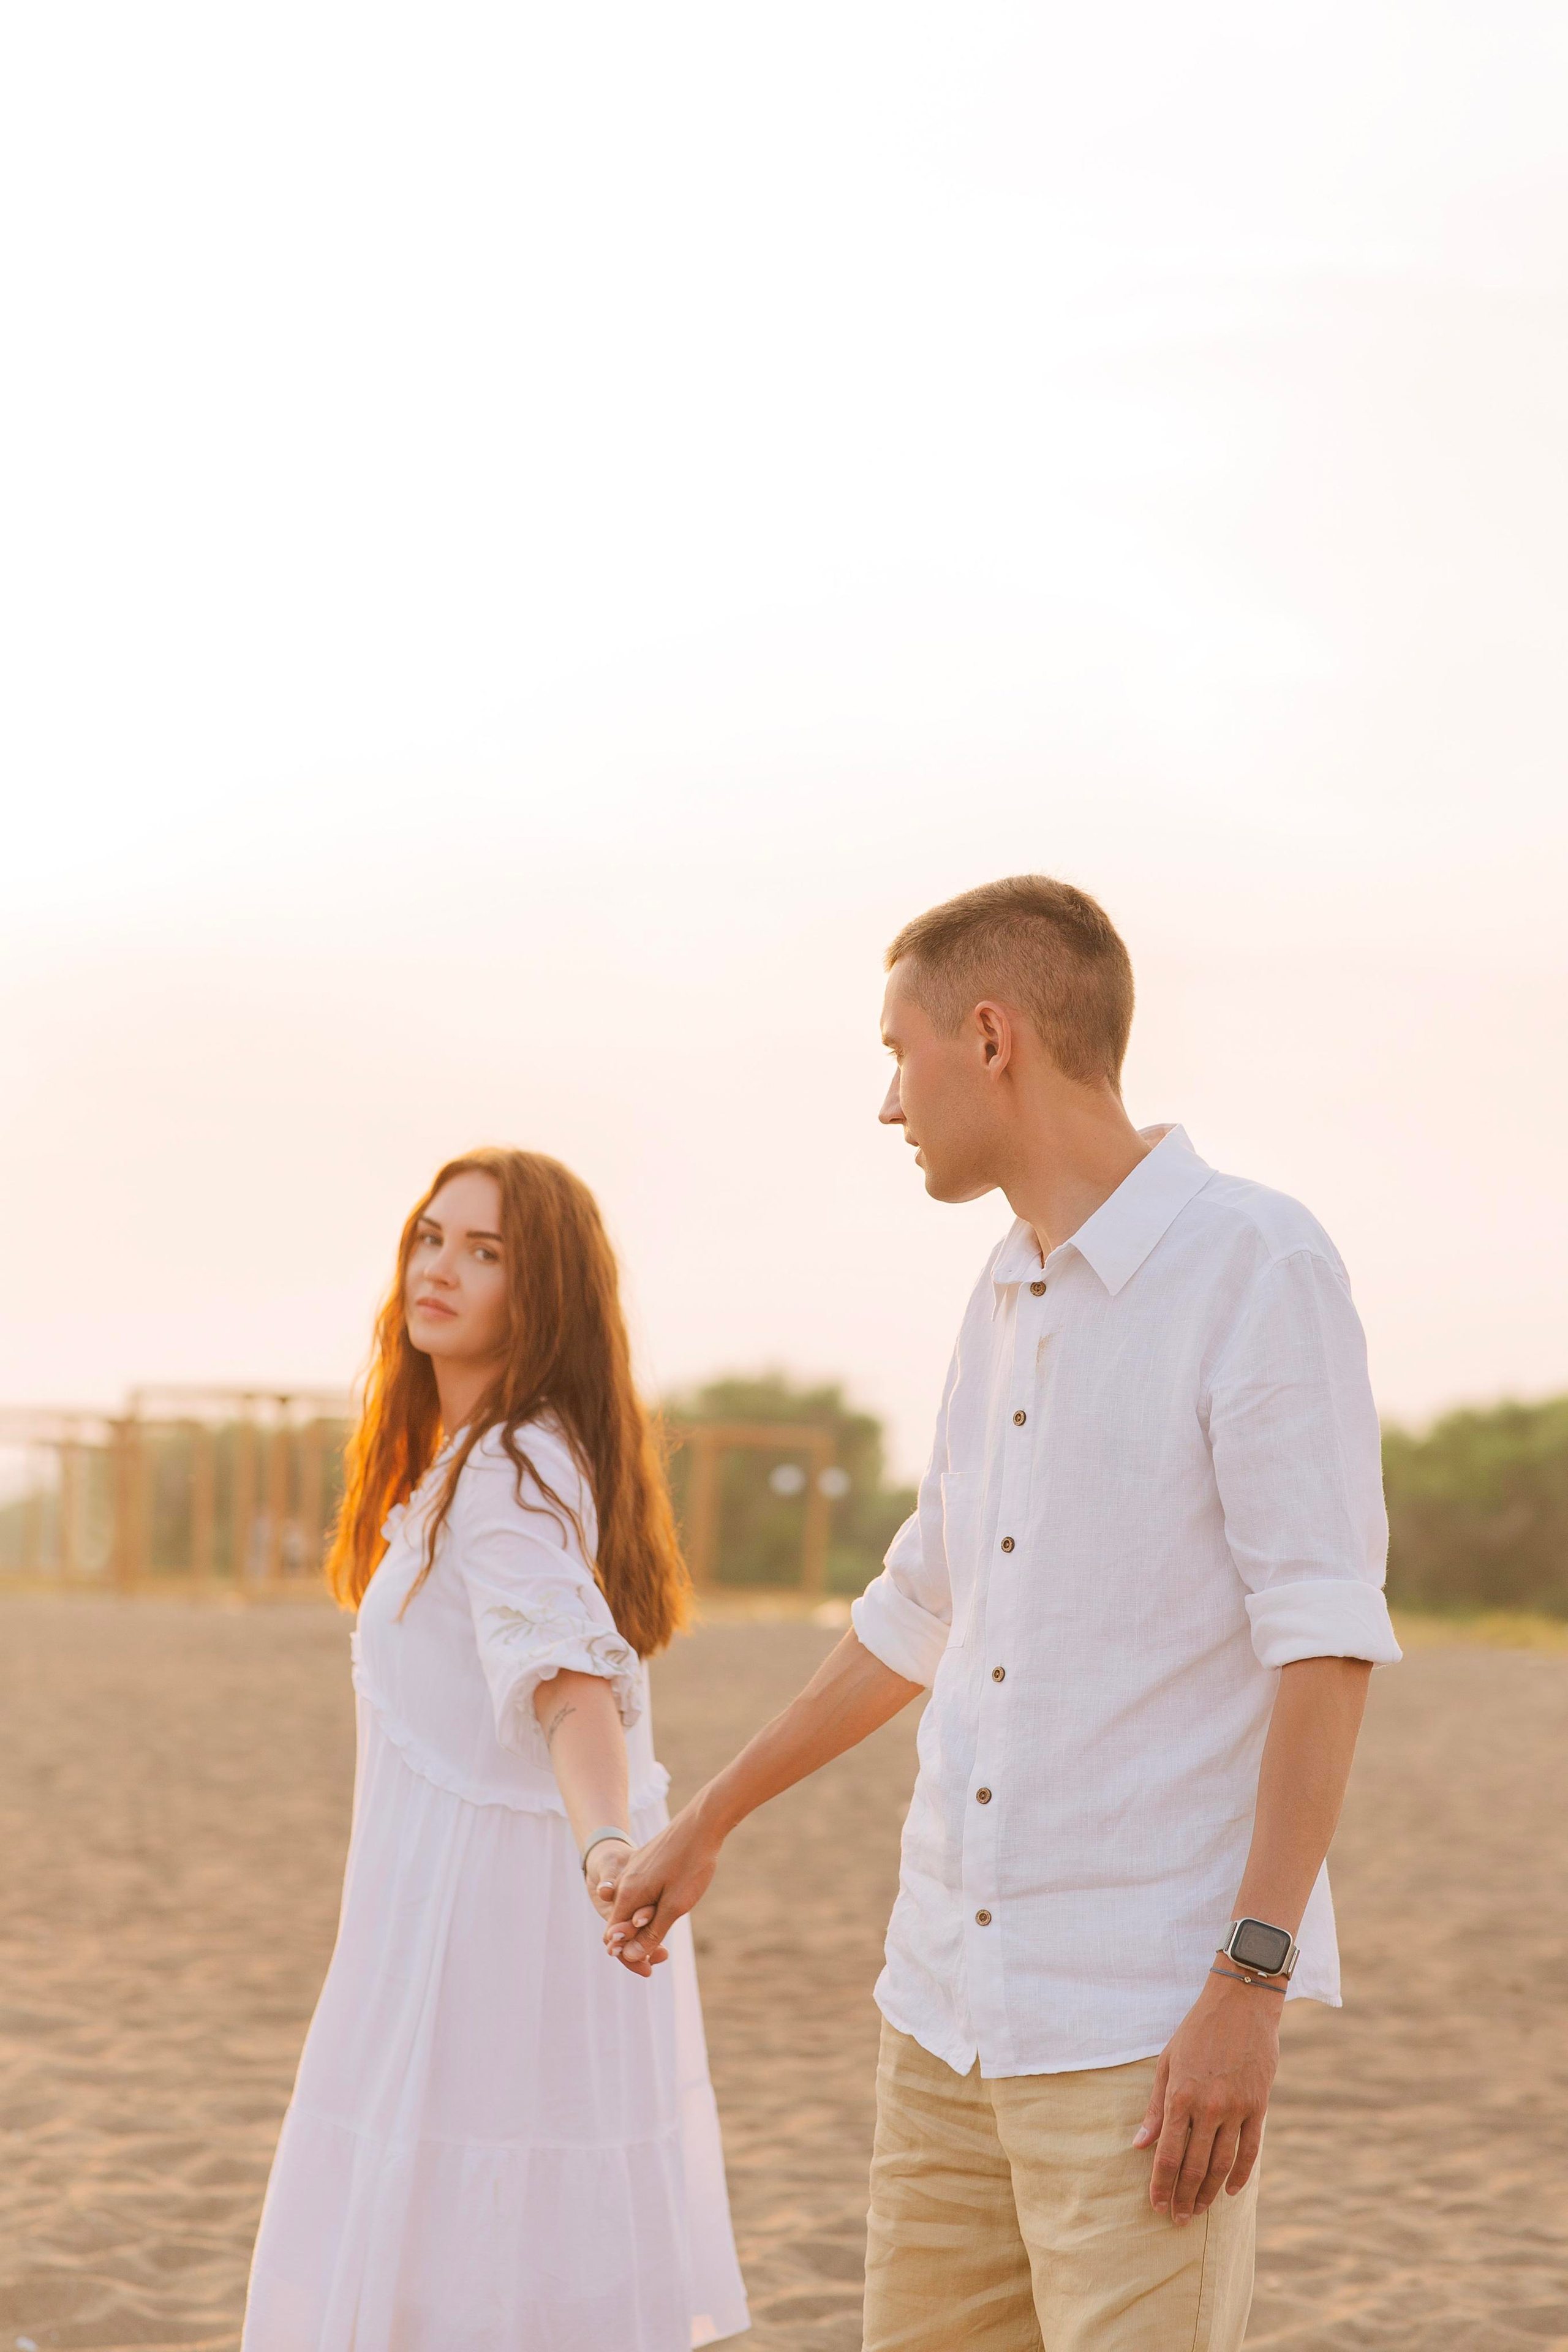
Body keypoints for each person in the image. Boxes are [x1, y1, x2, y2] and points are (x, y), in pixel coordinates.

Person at [606, 876, 1400, 2352]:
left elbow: (1324, 1640)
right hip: (940, 2015)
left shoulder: (1256, 1265)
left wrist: (1249, 1983)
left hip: (1140, 2036)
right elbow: (921, 1607)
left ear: (989, 1037)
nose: (887, 1103)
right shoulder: (1002, 1287)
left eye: (896, 1051)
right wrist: (709, 1816)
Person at [243, 1148, 748, 2352]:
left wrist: (607, 1844)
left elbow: (569, 1684)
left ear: (545, 1294)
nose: (440, 1269)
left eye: (485, 1252)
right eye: (431, 1238)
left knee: (471, 2252)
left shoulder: (511, 1469)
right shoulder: (488, 1458)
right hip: (470, 1910)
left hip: (492, 1927)